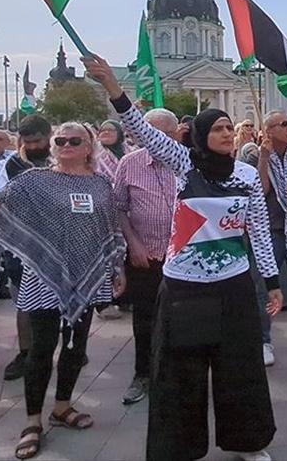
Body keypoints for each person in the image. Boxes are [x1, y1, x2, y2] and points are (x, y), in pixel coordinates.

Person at [84, 54, 281, 461]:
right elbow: (139, 128)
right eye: (220, 128)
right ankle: (180, 449)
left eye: (231, 128)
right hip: (185, 289)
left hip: (233, 287)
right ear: (201, 134)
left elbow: (259, 232)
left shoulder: (245, 177)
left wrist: (272, 281)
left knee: (238, 371)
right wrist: (112, 86)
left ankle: (248, 443)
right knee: (181, 373)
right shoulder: (182, 162)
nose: (228, 133)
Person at [0, 121, 124, 460]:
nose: (66, 144)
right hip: (43, 277)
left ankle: (62, 407)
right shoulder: (33, 181)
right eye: (60, 140)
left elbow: (110, 229)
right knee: (40, 349)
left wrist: (115, 268)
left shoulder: (100, 185)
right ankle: (32, 421)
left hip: (86, 278)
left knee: (75, 347)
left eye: (74, 140)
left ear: (88, 147)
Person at [112, 108, 179, 405]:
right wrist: (133, 243)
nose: (156, 139)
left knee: (181, 320)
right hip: (145, 256)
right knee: (145, 319)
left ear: (176, 135)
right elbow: (118, 208)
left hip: (183, 260)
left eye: (164, 133)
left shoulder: (189, 164)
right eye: (150, 132)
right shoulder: (129, 164)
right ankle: (143, 374)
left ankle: (176, 376)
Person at [0, 115, 54, 382]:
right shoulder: (9, 165)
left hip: (59, 242)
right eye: (27, 142)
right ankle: (26, 352)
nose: (33, 146)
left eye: (38, 141)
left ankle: (66, 347)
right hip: (22, 244)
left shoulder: (63, 159)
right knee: (24, 303)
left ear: (49, 136)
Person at [249, 110, 287, 363]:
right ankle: (263, 340)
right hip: (271, 229)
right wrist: (264, 157)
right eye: (284, 124)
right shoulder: (253, 156)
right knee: (263, 286)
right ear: (269, 130)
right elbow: (260, 190)